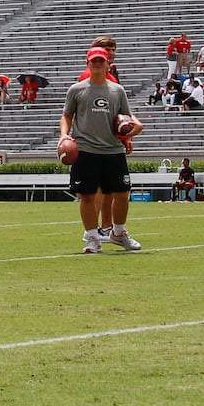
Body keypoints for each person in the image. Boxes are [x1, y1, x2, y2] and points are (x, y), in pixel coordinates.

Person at [64, 45, 143, 252]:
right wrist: (64, 135)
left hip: (112, 149)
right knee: (88, 195)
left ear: (108, 63)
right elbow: (66, 115)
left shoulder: (117, 90)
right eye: (94, 60)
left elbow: (125, 117)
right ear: (87, 63)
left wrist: (130, 133)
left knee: (122, 193)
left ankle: (118, 233)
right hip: (86, 149)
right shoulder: (76, 89)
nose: (98, 64)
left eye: (101, 60)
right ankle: (92, 238)